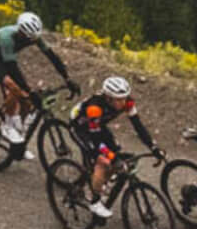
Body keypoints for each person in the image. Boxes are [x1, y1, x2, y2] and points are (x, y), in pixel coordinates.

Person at [0, 11, 76, 158]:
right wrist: (29, 90)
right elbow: (12, 69)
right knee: (14, 88)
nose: (29, 40)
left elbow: (52, 56)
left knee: (27, 102)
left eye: (32, 38)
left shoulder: (33, 37)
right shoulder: (7, 38)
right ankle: (7, 126)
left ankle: (18, 140)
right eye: (26, 37)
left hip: (6, 62)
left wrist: (67, 79)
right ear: (20, 31)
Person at [69, 76, 166, 219]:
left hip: (98, 125)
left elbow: (138, 127)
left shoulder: (127, 102)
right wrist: (111, 158)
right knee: (102, 161)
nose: (123, 102)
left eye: (124, 98)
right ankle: (94, 202)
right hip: (81, 128)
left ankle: (98, 180)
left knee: (117, 154)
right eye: (119, 99)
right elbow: (96, 143)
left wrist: (153, 147)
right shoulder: (94, 108)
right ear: (108, 98)